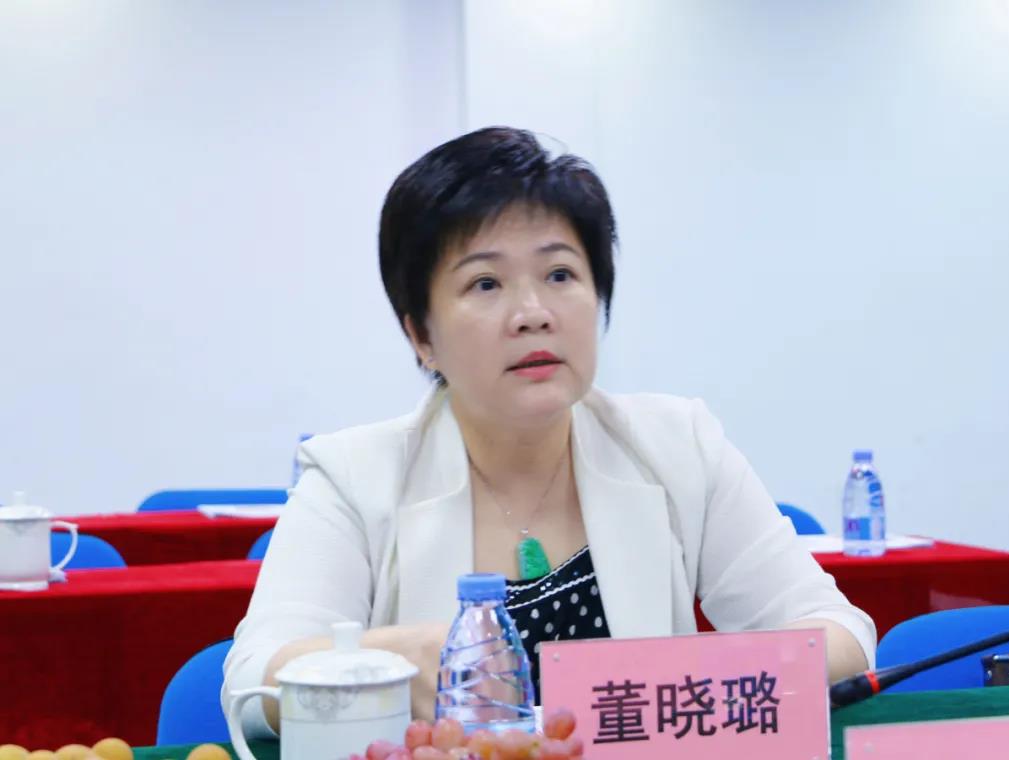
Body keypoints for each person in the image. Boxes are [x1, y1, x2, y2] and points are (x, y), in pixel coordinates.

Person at [223, 126, 875, 738]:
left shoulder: (679, 446)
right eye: (485, 283)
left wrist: (689, 682)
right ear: (421, 335)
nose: (533, 314)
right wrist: (378, 662)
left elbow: (839, 634)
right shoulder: (353, 478)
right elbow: (251, 685)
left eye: (560, 274)